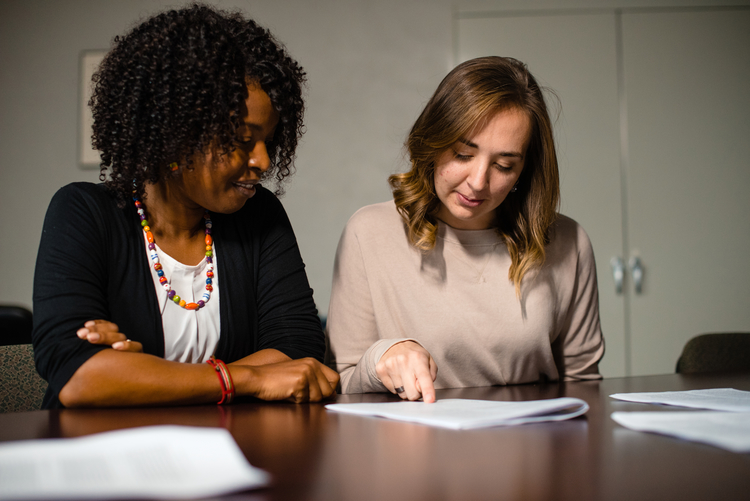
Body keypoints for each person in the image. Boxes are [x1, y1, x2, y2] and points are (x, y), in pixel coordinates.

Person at [32, 4, 339, 409]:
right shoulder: (83, 212)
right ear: (175, 136)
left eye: (268, 140)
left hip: (231, 454)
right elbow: (79, 377)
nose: (263, 161)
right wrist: (244, 379)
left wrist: (139, 373)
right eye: (242, 139)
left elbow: (298, 349)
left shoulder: (259, 215)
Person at [327, 56, 604, 402]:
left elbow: (583, 388)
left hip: (531, 447)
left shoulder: (569, 242)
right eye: (462, 154)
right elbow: (340, 384)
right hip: (413, 449)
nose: (477, 183)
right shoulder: (368, 233)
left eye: (504, 165)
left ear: (524, 172)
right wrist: (382, 356)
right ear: (433, 142)